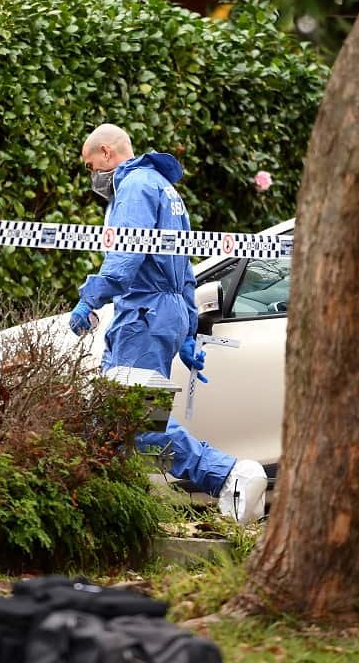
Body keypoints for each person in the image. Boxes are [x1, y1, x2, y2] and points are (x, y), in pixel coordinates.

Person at [68, 123, 267, 525]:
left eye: (92, 166)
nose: (93, 177)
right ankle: (109, 516)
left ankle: (228, 474)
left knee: (135, 418)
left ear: (107, 153)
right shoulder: (164, 188)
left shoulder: (135, 187)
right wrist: (188, 331)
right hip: (165, 313)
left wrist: (88, 298)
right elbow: (185, 268)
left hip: (143, 315)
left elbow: (124, 259)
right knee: (110, 422)